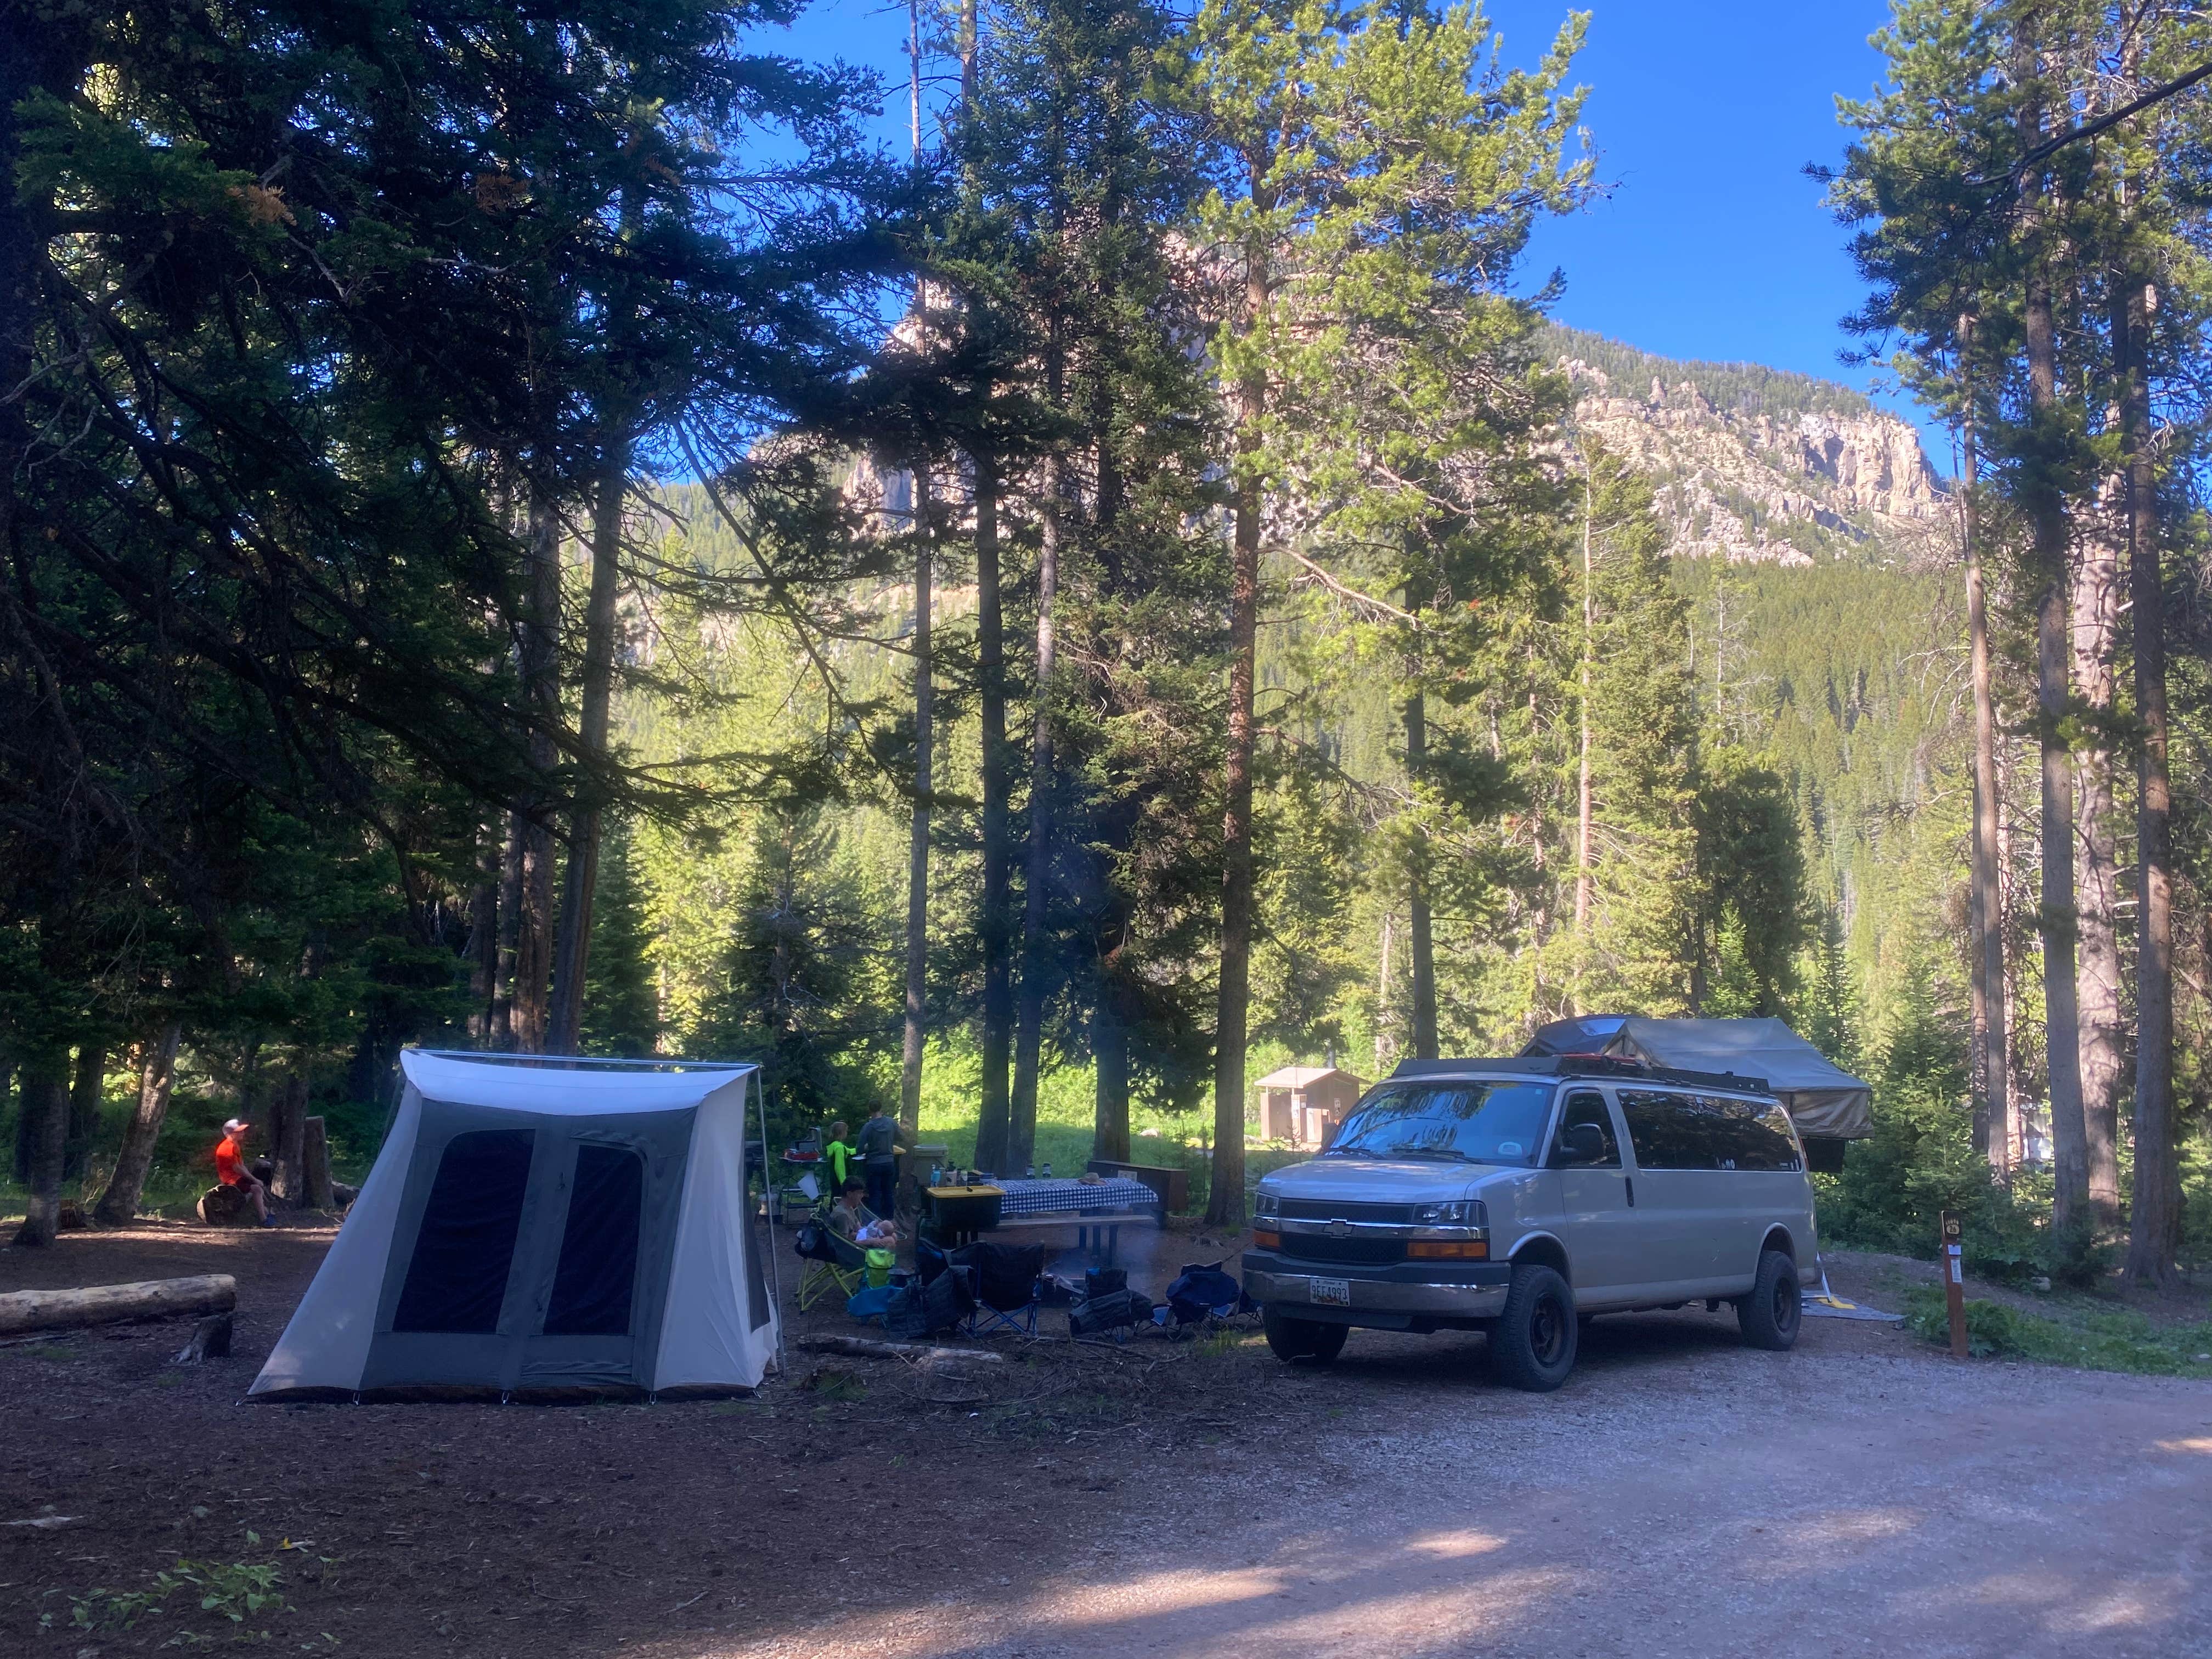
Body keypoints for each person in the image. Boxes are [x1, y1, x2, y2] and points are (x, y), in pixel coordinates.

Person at [215, 1118, 274, 1226]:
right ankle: (263, 1219)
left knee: (259, 1187)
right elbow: (237, 1168)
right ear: (231, 1134)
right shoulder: (227, 1148)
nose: (243, 1133)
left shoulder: (235, 1145)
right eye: (239, 1131)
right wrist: (254, 1180)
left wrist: (254, 1179)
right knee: (257, 1189)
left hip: (237, 1178)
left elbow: (242, 1166)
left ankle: (267, 1212)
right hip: (231, 1181)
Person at [854, 1103, 904, 1222]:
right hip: (889, 1162)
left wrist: (868, 1147)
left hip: (873, 1164)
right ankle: (890, 1222)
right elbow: (901, 1137)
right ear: (881, 1109)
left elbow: (859, 1148)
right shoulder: (891, 1123)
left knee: (875, 1194)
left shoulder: (868, 1126)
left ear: (870, 1110)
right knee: (889, 1192)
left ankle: (875, 1222)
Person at [822, 1120, 855, 1196]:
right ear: (842, 1133)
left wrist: (861, 1149)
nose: (847, 1133)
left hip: (834, 1178)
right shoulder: (839, 1148)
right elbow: (839, 1166)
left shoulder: (834, 1145)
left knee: (834, 1196)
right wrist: (844, 1183)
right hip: (840, 1181)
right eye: (846, 1131)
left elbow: (849, 1151)